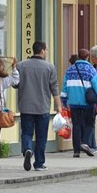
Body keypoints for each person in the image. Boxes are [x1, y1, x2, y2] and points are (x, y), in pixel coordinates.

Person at [16, 42, 61, 171]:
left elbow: (15, 84)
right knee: (41, 136)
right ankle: (39, 163)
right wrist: (59, 106)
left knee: (26, 132)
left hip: (26, 106)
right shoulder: (49, 67)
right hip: (43, 107)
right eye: (46, 50)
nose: (46, 52)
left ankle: (27, 149)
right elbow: (54, 88)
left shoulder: (21, 66)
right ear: (42, 50)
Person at [60, 48, 97, 158]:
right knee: (89, 123)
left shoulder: (70, 70)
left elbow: (64, 87)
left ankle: (76, 151)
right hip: (87, 103)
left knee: (77, 125)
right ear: (88, 57)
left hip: (73, 102)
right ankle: (85, 143)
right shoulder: (90, 70)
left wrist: (64, 101)